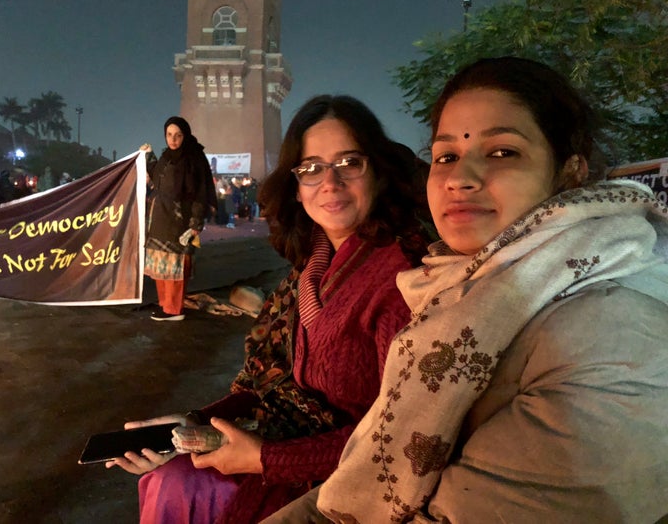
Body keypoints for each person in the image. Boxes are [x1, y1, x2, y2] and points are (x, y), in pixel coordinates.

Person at [264, 57, 668, 523]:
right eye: (447, 156)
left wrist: (264, 459)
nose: (460, 178)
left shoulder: (614, 334)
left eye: (502, 152)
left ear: (570, 170)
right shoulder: (450, 286)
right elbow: (364, 469)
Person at [107, 94, 431, 523]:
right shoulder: (307, 271)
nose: (329, 183)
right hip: (279, 448)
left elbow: (403, 438)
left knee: (184, 489)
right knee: (170, 477)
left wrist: (265, 459)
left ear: (379, 173)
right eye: (311, 168)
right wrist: (190, 426)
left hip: (349, 481)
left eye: (350, 162)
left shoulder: (405, 282)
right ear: (295, 187)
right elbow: (267, 384)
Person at [143, 116, 217, 321]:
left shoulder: (192, 159)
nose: (173, 139)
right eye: (169, 135)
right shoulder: (167, 157)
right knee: (161, 267)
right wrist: (149, 156)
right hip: (160, 219)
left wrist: (195, 224)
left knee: (175, 268)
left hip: (179, 221)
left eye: (178, 135)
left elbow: (199, 194)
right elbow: (157, 175)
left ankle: (174, 310)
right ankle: (164, 305)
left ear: (185, 135)